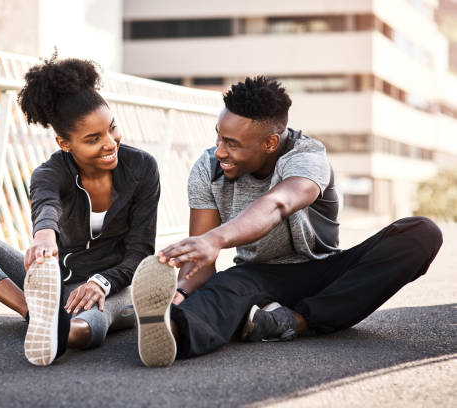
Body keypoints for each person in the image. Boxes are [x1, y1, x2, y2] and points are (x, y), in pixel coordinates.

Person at [130, 76, 443, 367]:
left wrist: (216, 239)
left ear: (269, 143)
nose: (220, 151)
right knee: (226, 287)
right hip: (258, 276)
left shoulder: (307, 156)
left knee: (421, 234)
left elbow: (278, 204)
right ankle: (172, 330)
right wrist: (181, 292)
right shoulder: (207, 169)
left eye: (233, 143)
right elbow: (200, 264)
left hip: (323, 273)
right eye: (219, 137)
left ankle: (292, 321)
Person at [0, 56, 160, 366]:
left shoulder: (142, 168)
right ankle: (35, 313)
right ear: (65, 143)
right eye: (93, 139)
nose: (110, 144)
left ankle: (66, 332)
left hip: (116, 283)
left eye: (111, 128)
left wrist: (100, 282)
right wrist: (44, 235)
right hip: (56, 283)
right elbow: (45, 204)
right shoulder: (49, 172)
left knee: (103, 311)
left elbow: (141, 250)